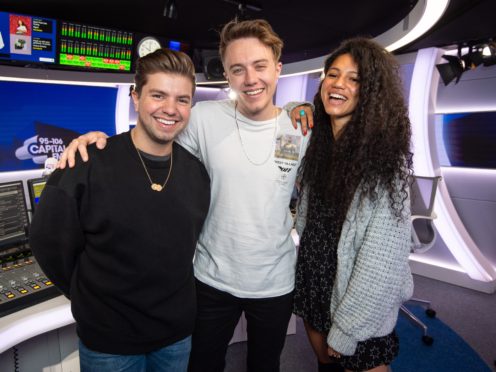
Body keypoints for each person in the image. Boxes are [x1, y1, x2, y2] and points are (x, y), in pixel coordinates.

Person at [58, 19, 310, 372]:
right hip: (210, 279)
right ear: (227, 74)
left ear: (278, 69)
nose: (250, 79)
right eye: (238, 69)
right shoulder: (201, 117)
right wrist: (95, 141)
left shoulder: (302, 127)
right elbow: (153, 134)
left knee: (265, 365)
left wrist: (304, 104)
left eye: (260, 66)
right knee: (203, 366)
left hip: (274, 282)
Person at [29, 48, 211, 372]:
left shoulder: (196, 173)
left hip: (176, 337)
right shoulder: (85, 163)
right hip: (109, 343)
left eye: (182, 100)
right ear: (135, 96)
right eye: (158, 95)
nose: (171, 109)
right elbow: (48, 242)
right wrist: (89, 294)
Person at [292, 37, 414, 372]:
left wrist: (348, 329)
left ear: (371, 92)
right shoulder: (321, 143)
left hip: (355, 301)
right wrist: (296, 107)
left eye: (354, 78)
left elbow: (382, 263)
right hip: (317, 284)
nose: (339, 84)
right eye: (333, 74)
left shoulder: (384, 163)